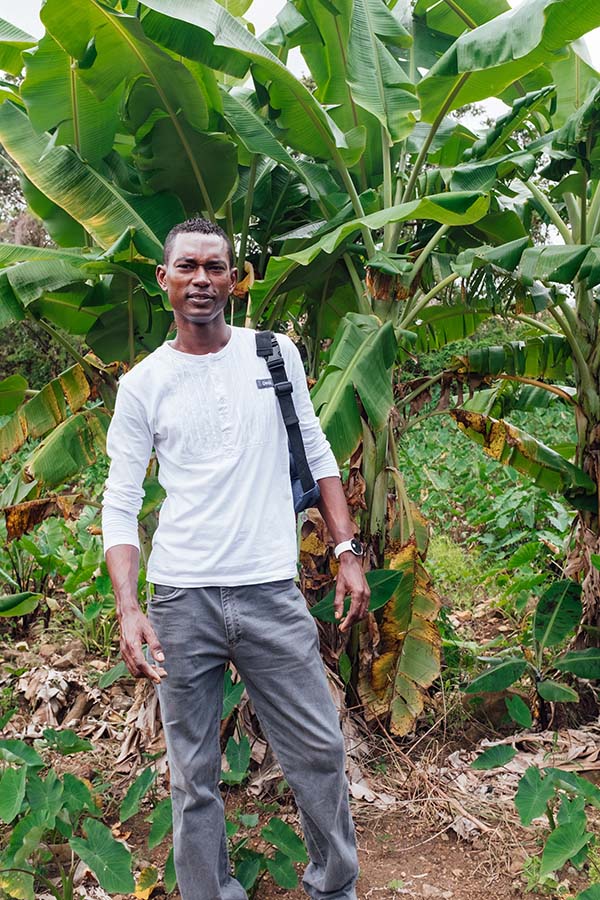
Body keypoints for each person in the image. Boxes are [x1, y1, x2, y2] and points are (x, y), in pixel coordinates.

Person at [102, 217, 370, 900]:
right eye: (186, 267)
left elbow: (317, 452)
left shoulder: (274, 355)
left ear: (233, 278)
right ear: (163, 280)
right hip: (182, 601)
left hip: (269, 593)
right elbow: (121, 503)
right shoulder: (144, 385)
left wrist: (345, 550)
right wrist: (129, 607)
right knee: (194, 776)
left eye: (214, 267)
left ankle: (333, 887)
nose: (201, 280)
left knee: (318, 751)